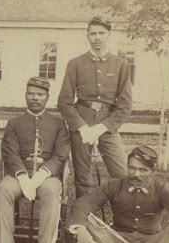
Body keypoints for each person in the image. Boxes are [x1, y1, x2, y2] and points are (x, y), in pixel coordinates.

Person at [0, 76, 70, 243]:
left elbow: (61, 154)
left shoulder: (58, 124)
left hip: (47, 175)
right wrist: (22, 177)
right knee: (3, 189)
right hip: (19, 174)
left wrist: (41, 175)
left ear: (47, 97)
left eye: (40, 94)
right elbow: (9, 153)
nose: (35, 98)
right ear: (25, 95)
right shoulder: (14, 123)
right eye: (31, 94)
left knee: (52, 192)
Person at [57, 16, 132, 199]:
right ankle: (83, 220)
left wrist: (102, 127)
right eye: (93, 34)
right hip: (81, 123)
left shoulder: (120, 64)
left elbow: (125, 104)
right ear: (87, 36)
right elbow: (64, 102)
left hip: (107, 124)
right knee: (83, 177)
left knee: (121, 173)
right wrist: (82, 127)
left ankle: (124, 219)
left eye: (101, 33)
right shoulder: (76, 63)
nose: (97, 37)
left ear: (109, 35)